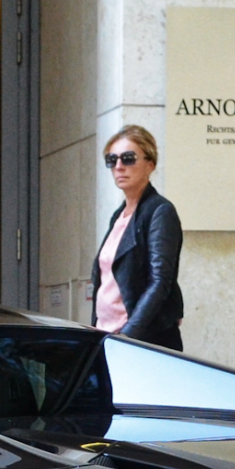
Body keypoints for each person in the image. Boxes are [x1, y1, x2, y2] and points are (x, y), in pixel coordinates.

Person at [91, 126, 183, 349]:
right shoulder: (119, 216)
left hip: (140, 342)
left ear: (150, 164)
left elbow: (160, 281)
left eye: (128, 158)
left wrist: (127, 336)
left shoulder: (159, 212)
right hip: (107, 335)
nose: (119, 166)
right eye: (112, 160)